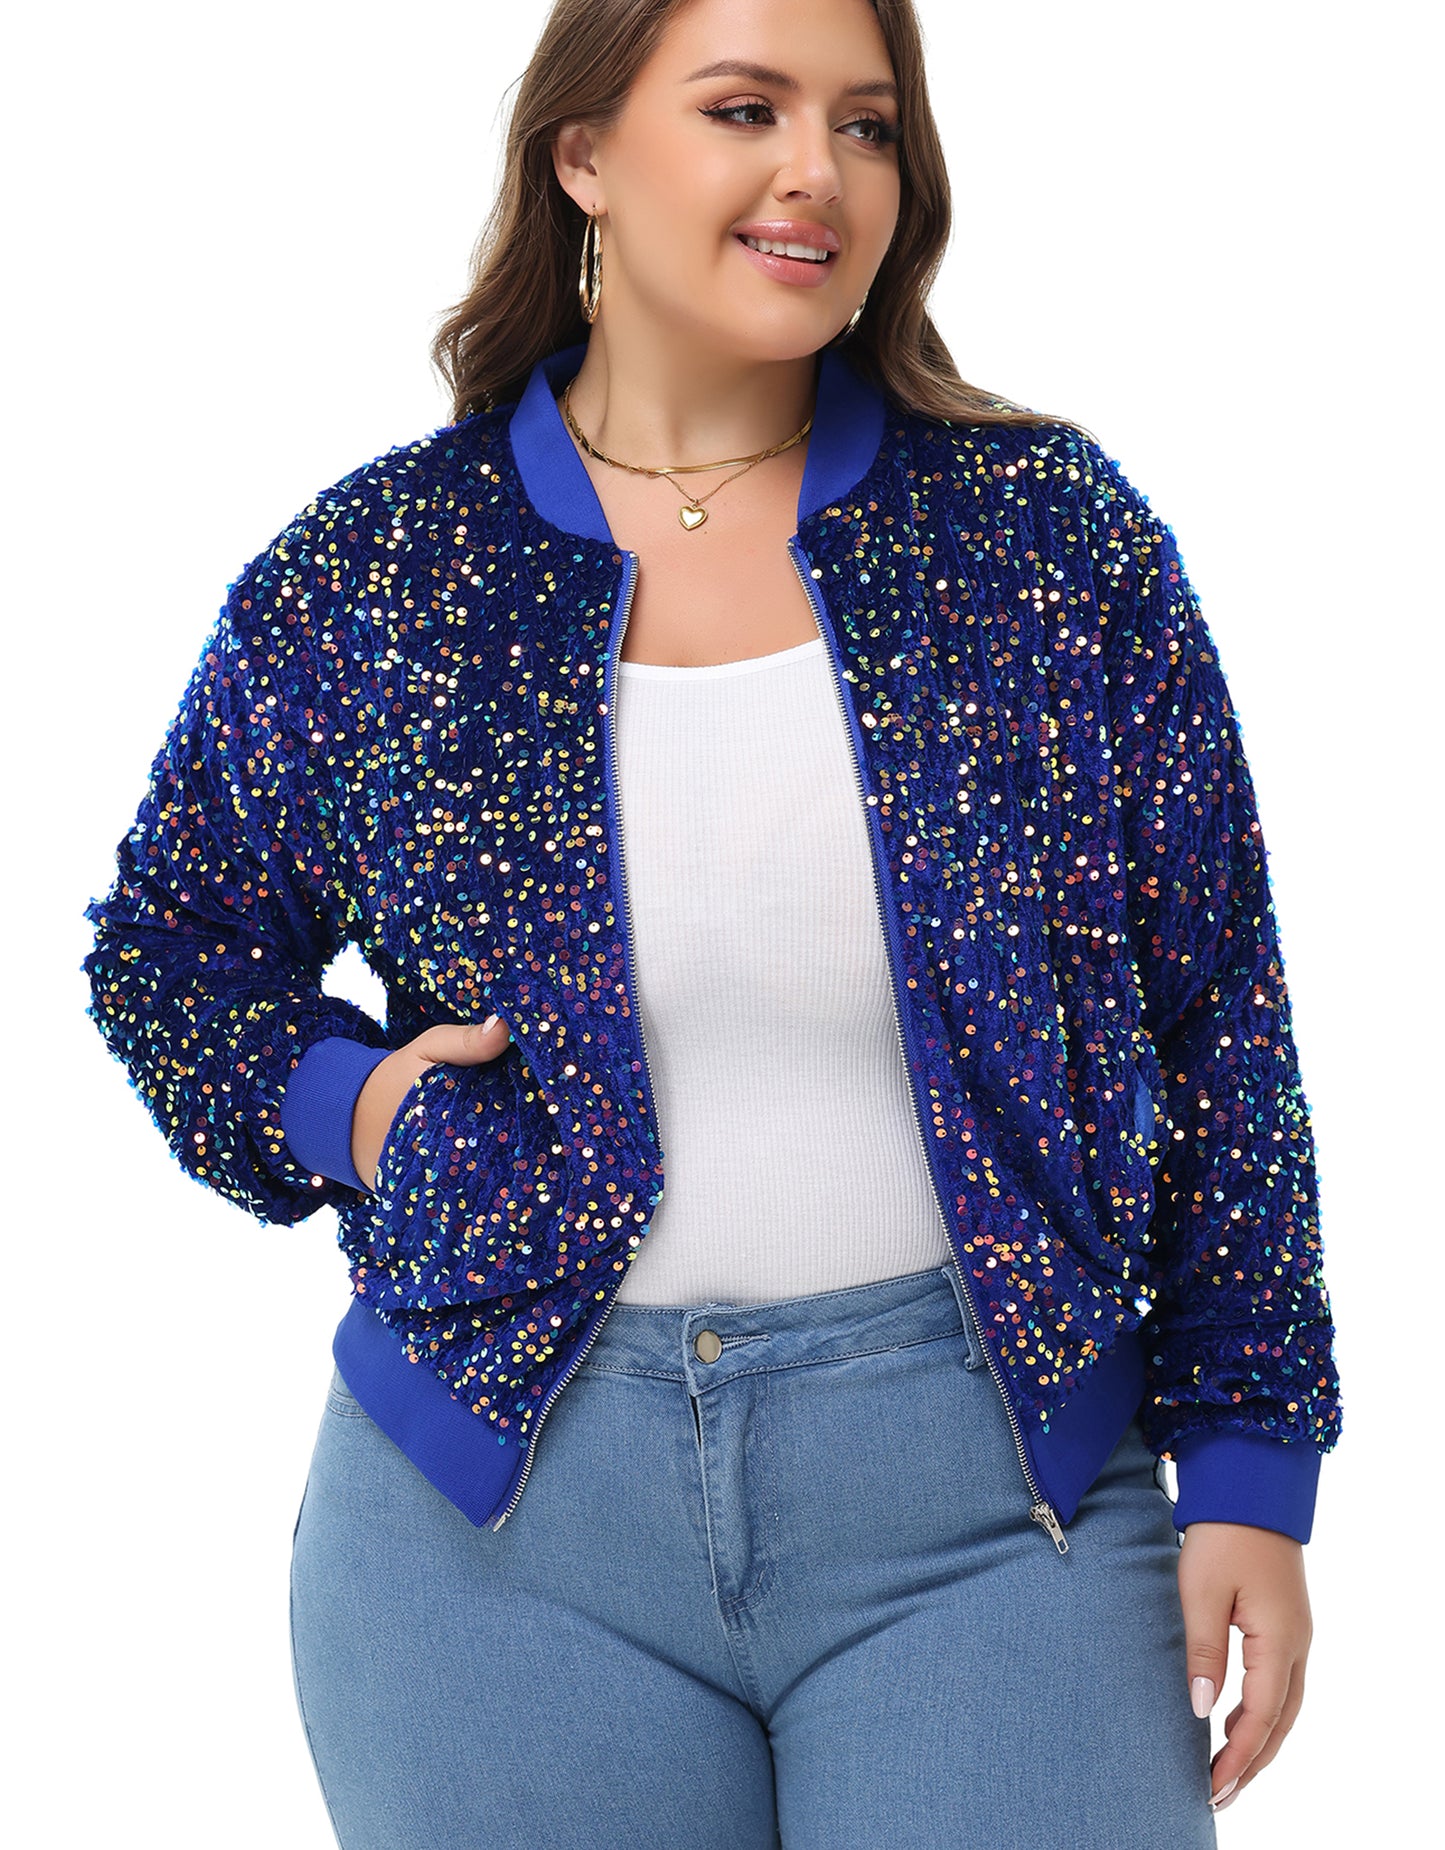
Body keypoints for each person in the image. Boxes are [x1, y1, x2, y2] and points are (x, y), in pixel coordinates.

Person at [80, 0, 1342, 1844]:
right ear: (582, 152)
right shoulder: (381, 572)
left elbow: (1218, 1004)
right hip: (495, 1531)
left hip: (995, 1504)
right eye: (746, 108)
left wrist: (1248, 1456)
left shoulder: (1041, 540)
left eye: (866, 125)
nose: (817, 171)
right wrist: (354, 1109)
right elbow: (169, 943)